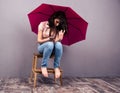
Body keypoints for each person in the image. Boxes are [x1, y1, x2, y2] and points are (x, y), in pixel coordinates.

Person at [37, 11, 67, 78]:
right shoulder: (43, 24)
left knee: (59, 44)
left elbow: (55, 43)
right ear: (53, 18)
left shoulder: (58, 28)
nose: (57, 24)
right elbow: (39, 40)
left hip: (52, 48)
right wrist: (49, 39)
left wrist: (59, 38)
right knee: (50, 44)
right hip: (42, 47)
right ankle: (43, 66)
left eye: (59, 23)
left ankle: (56, 67)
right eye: (56, 22)